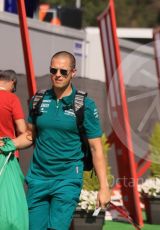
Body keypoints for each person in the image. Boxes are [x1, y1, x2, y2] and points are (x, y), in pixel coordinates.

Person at [0, 51, 111, 229]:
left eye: (63, 71)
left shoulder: (85, 105)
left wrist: (104, 187)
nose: (57, 75)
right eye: (54, 70)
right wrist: (9, 143)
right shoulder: (38, 100)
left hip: (67, 180)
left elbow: (96, 148)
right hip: (38, 179)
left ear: (73, 72)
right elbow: (30, 135)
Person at [0, 70, 27, 158]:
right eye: (14, 88)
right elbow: (21, 129)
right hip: (7, 153)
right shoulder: (12, 98)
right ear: (13, 82)